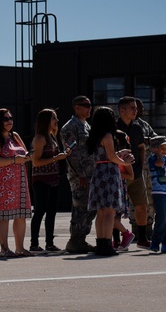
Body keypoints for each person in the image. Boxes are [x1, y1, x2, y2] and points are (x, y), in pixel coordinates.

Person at [87, 106, 134, 257]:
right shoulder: (108, 135)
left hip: (98, 173)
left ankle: (101, 243)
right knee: (109, 212)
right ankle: (107, 244)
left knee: (101, 212)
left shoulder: (94, 135)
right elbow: (112, 158)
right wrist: (126, 162)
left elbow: (105, 155)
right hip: (109, 172)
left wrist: (118, 154)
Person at [0, 108, 32, 257]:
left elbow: (24, 153)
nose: (9, 121)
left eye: (11, 118)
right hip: (2, 182)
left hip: (19, 181)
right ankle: (4, 249)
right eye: (5, 119)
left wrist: (28, 157)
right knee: (3, 216)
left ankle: (20, 248)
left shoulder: (14, 136)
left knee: (20, 214)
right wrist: (13, 160)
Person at [29, 108, 70, 253]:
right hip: (41, 179)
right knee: (40, 210)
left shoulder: (52, 136)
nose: (57, 121)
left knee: (52, 211)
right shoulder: (40, 138)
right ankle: (34, 243)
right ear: (46, 120)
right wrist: (55, 158)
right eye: (54, 118)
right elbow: (36, 162)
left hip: (54, 178)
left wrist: (63, 155)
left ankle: (49, 243)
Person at [61, 96, 98, 254]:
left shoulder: (87, 126)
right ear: (77, 107)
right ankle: (75, 241)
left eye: (90, 105)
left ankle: (81, 239)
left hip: (92, 174)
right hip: (80, 176)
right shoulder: (70, 127)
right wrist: (81, 174)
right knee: (80, 208)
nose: (90, 108)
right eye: (86, 105)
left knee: (90, 208)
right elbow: (72, 154)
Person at [116, 96, 151, 249]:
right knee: (115, 209)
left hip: (136, 174)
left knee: (142, 205)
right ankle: (116, 240)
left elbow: (141, 147)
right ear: (122, 110)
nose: (136, 111)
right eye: (132, 108)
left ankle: (142, 239)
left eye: (136, 108)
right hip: (119, 175)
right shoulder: (113, 128)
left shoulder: (137, 128)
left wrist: (140, 165)